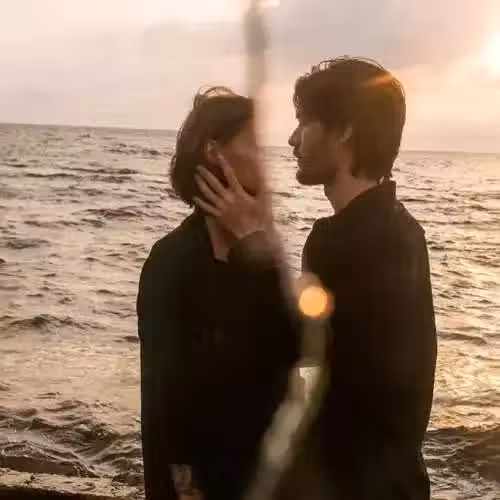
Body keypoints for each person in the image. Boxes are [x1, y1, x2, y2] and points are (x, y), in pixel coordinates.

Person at [194, 57, 438, 499]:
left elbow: (288, 359)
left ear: (344, 131)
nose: (292, 139)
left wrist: (252, 244)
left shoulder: (339, 241)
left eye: (304, 123)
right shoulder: (406, 230)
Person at [137, 87, 299, 500]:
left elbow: (294, 350)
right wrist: (184, 484)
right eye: (255, 144)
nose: (266, 159)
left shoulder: (261, 254)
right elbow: (163, 395)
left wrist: (255, 243)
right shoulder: (172, 260)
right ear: (214, 151)